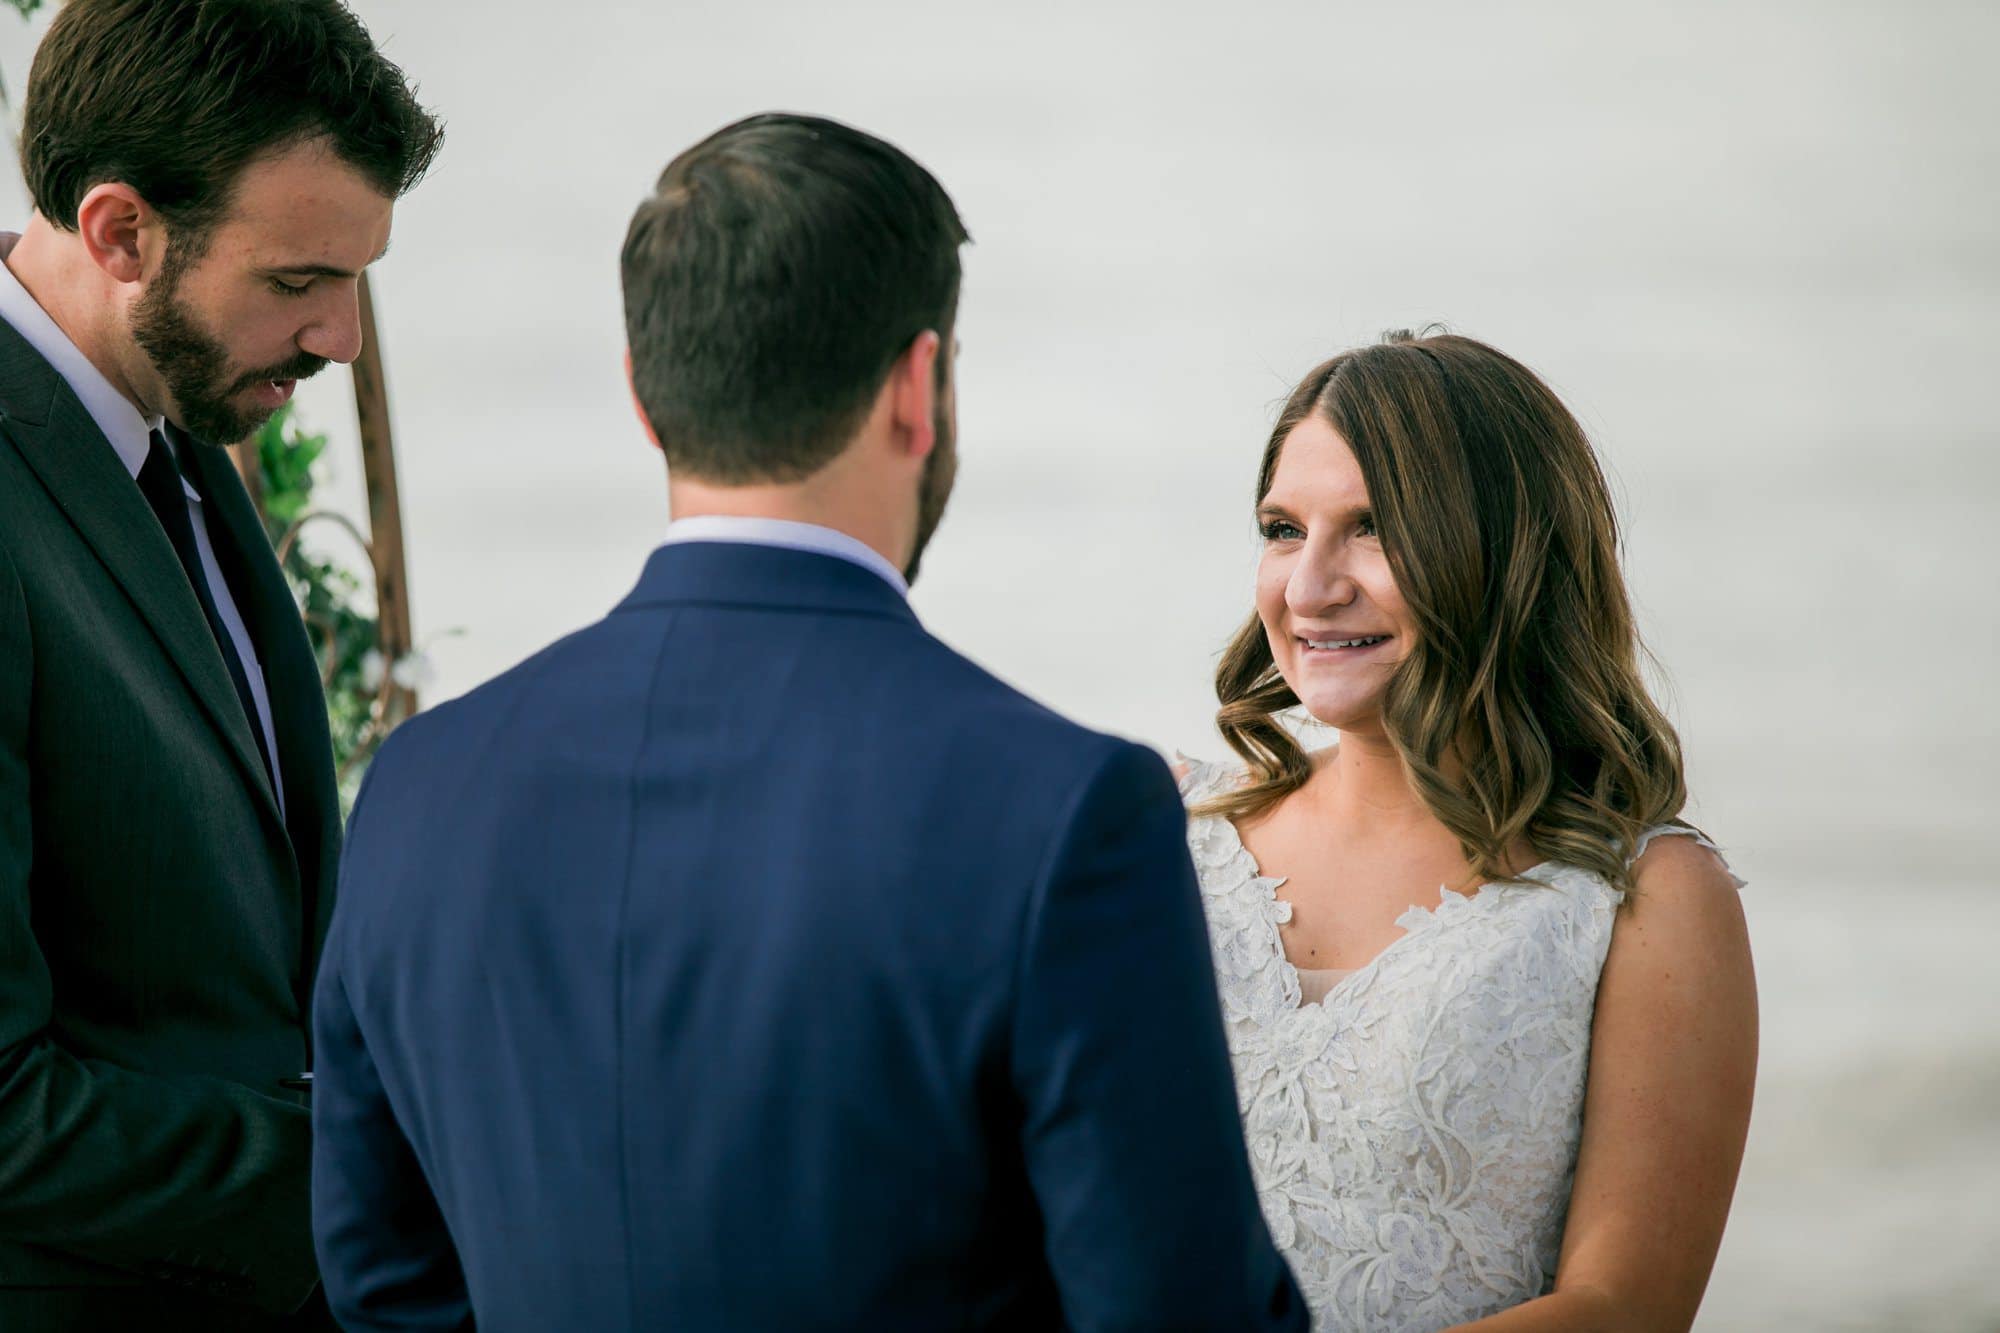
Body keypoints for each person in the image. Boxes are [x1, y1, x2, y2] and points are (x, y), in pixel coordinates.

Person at [310, 112, 1306, 1332]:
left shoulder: (420, 787)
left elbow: (383, 1284)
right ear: (915, 388)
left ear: (643, 395)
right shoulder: (1062, 813)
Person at [0, 1, 441, 1327]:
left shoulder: (175, 426)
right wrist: (374, 1168)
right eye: (300, 283)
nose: (342, 339)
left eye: (358, 279)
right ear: (120, 230)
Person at [1179, 330, 1757, 1331]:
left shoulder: (1640, 898)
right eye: (1281, 528)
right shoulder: (1161, 837)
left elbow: (1624, 1307)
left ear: (1502, 551)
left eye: (1370, 529)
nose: (1308, 587)